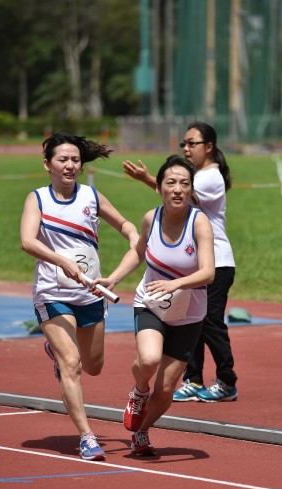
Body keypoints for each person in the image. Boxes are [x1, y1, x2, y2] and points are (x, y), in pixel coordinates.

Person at [20, 131, 139, 461]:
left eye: (75, 159)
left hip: (90, 294)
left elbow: (127, 226)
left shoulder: (91, 196)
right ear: (48, 165)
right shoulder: (38, 199)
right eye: (62, 160)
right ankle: (87, 437)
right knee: (71, 364)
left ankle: (57, 352)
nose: (70, 165)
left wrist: (132, 239)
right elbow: (28, 241)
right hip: (53, 292)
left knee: (93, 366)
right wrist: (61, 261)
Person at [92, 155, 215, 456]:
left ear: (191, 190)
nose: (177, 189)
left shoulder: (199, 223)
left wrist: (176, 283)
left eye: (184, 184)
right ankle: (138, 391)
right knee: (148, 360)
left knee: (166, 389)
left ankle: (142, 431)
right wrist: (114, 278)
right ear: (159, 187)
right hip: (151, 303)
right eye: (170, 183)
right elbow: (137, 252)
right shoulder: (151, 218)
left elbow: (209, 272)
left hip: (188, 313)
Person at [123, 121, 237, 402]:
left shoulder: (209, 177)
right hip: (189, 262)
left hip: (215, 262)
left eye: (192, 143)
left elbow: (180, 198)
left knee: (209, 321)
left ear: (209, 147)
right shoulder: (197, 174)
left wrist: (150, 180)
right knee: (190, 319)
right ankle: (194, 379)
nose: (186, 149)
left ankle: (226, 380)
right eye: (183, 144)